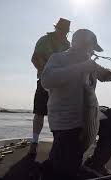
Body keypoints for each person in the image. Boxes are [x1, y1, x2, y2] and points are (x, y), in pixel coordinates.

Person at [40, 29, 111, 179]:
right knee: (63, 173)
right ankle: (58, 159)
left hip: (88, 114)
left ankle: (95, 164)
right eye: (92, 48)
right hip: (66, 125)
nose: (92, 52)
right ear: (83, 44)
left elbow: (103, 74)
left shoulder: (90, 64)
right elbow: (46, 80)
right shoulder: (59, 58)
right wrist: (80, 68)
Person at [29, 18, 71, 154]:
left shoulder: (68, 45)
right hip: (44, 81)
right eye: (61, 30)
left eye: (65, 31)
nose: (63, 33)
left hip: (60, 85)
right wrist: (47, 73)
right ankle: (34, 142)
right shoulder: (44, 40)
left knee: (59, 114)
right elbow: (35, 58)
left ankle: (58, 143)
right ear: (56, 28)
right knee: (40, 112)